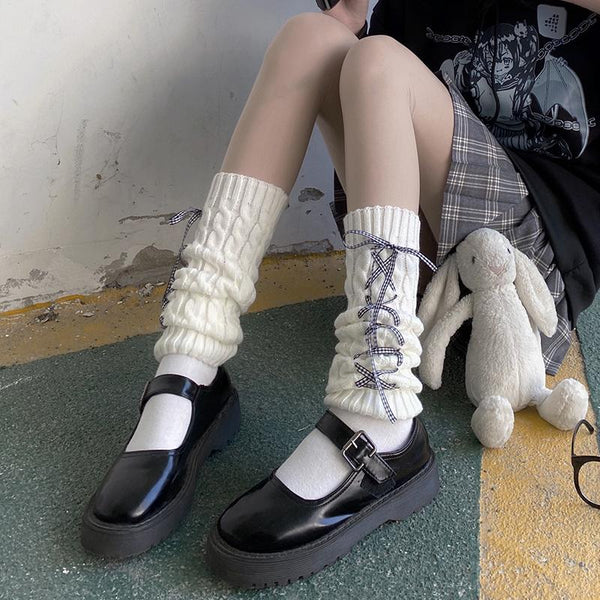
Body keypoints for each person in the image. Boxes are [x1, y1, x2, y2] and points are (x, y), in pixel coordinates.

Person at [80, 0, 599, 589]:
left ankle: (379, 418)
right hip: (418, 275)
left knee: (379, 65)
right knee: (311, 39)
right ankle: (191, 364)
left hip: (529, 280)